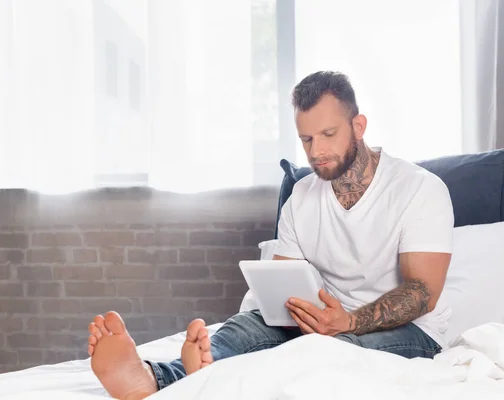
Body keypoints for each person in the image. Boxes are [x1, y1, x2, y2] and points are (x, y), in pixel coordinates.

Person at [86, 71, 455, 400]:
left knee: (329, 353)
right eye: (307, 139)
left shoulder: (419, 189)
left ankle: (219, 387)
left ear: (358, 126)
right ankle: (155, 379)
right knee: (245, 327)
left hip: (410, 332)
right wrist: (292, 315)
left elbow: (423, 292)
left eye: (329, 134)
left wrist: (347, 322)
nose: (318, 151)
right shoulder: (303, 196)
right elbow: (282, 289)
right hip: (322, 326)